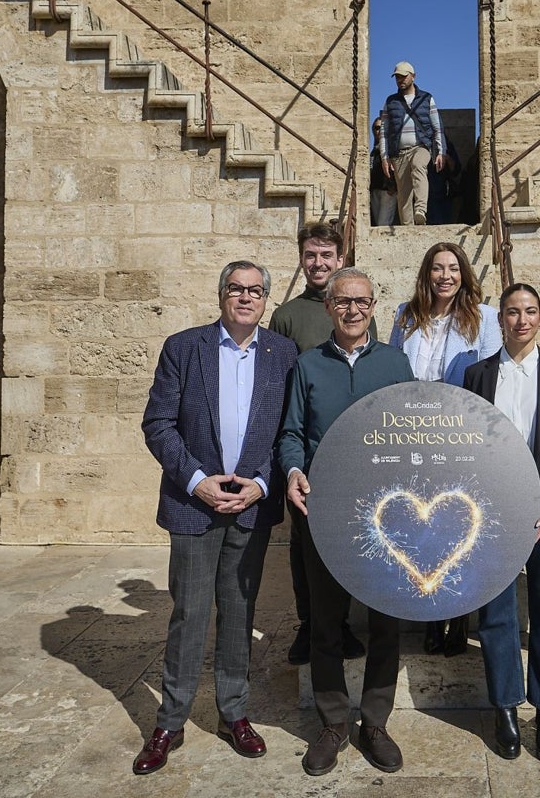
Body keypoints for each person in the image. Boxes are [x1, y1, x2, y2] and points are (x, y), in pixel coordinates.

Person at [135, 261, 298, 775]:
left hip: (251, 506)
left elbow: (288, 433)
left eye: (255, 290)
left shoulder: (284, 354)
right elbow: (158, 423)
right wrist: (197, 480)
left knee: (239, 614)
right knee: (189, 614)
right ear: (221, 295)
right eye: (236, 289)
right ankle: (170, 720)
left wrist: (262, 484)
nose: (245, 297)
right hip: (193, 506)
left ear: (267, 299)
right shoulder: (183, 348)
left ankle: (234, 713)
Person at [279, 267, 416, 776]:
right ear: (330, 307)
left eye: (361, 302)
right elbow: (291, 432)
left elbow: (414, 434)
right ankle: (334, 722)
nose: (353, 310)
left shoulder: (396, 363)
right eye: (343, 302)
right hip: (327, 511)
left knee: (385, 620)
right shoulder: (308, 366)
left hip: (388, 514)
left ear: (374, 306)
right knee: (326, 621)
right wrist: (293, 469)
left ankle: (375, 722)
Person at [463, 283, 540, 763]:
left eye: (530, 311)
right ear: (501, 320)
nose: (521, 320)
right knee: (496, 614)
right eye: (512, 312)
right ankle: (506, 708)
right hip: (491, 514)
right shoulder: (476, 375)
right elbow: (467, 448)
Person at [269, 222, 375, 666]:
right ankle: (309, 624)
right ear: (301, 258)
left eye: (326, 256)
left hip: (350, 454)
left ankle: (344, 624)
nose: (318, 263)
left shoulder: (353, 307)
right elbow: (279, 387)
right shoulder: (287, 315)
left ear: (339, 259)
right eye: (310, 255)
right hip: (307, 450)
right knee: (303, 548)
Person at [389, 241, 501, 655]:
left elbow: (488, 379)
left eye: (453, 268)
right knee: (424, 532)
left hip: (460, 434)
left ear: (464, 273)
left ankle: (459, 615)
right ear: (426, 273)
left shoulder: (484, 318)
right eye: (437, 268)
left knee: (460, 525)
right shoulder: (405, 314)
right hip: (414, 434)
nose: (445, 276)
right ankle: (430, 615)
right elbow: (393, 369)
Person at [379, 61, 445, 226]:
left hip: (420, 147)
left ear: (413, 77)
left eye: (404, 76)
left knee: (418, 166)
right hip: (399, 153)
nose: (400, 80)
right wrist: (384, 157)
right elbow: (384, 132)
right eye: (397, 77)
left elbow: (438, 127)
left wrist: (441, 152)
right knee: (404, 193)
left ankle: (421, 209)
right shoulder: (390, 101)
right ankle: (408, 226)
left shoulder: (426, 98)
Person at [426, 134, 462, 225]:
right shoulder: (423, 145)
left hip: (444, 192)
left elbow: (456, 170)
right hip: (427, 193)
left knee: (444, 222)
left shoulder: (448, 146)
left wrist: (447, 158)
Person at [369, 116, 397, 226]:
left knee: (383, 224)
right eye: (376, 128)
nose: (379, 131)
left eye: (382, 128)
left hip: (388, 191)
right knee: (377, 224)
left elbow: (396, 166)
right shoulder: (374, 150)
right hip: (375, 189)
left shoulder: (392, 147)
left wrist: (393, 186)